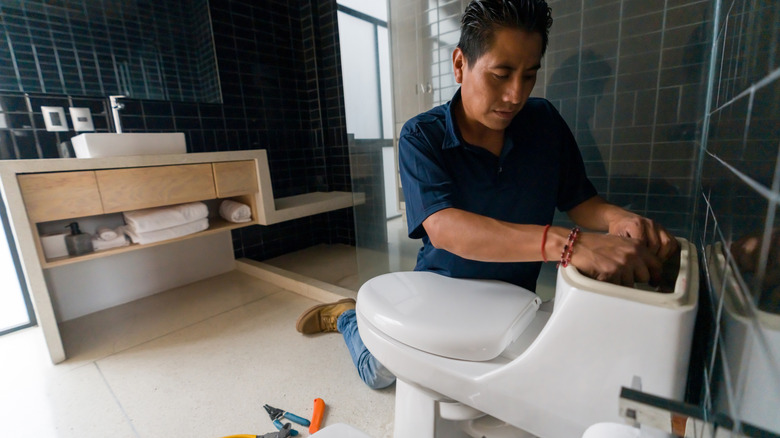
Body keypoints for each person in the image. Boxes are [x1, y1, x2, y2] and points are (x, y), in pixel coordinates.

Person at [295, 0, 679, 390]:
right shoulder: (421, 136)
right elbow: (444, 228)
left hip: (513, 297)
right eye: (501, 74)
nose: (516, 94)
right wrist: (569, 245)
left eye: (529, 76)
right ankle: (347, 316)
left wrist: (617, 219)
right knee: (383, 374)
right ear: (460, 64)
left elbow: (581, 202)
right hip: (441, 287)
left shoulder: (544, 123)